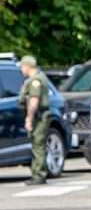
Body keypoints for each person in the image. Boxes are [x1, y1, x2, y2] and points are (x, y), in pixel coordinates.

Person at [17, 55, 49, 185]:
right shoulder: (38, 78)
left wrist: (29, 119)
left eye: (22, 67)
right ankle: (39, 173)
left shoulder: (35, 81)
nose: (21, 70)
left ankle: (39, 175)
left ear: (27, 66)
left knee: (38, 145)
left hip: (39, 116)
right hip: (40, 115)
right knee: (38, 144)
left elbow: (34, 101)